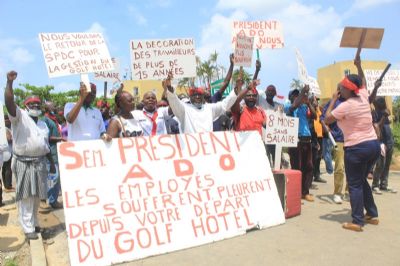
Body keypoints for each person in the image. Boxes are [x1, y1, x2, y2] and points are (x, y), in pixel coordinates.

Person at [324, 56, 381, 232]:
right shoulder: (363, 96)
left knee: (355, 184)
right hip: (373, 146)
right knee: (362, 180)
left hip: (357, 148)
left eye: (341, 86)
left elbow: (327, 119)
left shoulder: (346, 106)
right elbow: (362, 81)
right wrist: (359, 65)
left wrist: (334, 99)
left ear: (348, 90)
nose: (339, 88)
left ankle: (357, 221)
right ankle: (371, 213)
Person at [4, 70, 56, 240]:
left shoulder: (42, 124)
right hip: (23, 162)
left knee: (36, 197)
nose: (35, 107)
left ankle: (34, 224)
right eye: (32, 104)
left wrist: (51, 162)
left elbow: (45, 145)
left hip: (39, 162)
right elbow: (9, 102)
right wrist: (9, 83)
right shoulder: (19, 116)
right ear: (26, 105)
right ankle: (27, 229)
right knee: (26, 195)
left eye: (37, 104)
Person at [164, 72, 238, 134]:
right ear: (190, 97)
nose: (197, 97)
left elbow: (224, 105)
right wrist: (170, 88)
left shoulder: (209, 108)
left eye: (199, 95)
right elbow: (174, 102)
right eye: (194, 95)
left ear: (203, 97)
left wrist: (236, 90)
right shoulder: (184, 109)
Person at [284, 85, 316, 202]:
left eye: (299, 94)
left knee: (308, 167)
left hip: (307, 139)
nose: (298, 96)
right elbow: (294, 106)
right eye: (295, 94)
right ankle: (296, 193)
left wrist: (308, 103)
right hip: (295, 140)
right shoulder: (288, 106)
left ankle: (305, 192)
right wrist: (303, 92)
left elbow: (314, 116)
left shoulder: (303, 107)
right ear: (291, 97)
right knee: (297, 167)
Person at [320, 94, 346, 204]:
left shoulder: (354, 101)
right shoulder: (334, 102)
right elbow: (322, 118)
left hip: (353, 138)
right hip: (338, 140)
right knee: (339, 166)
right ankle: (337, 193)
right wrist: (326, 127)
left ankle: (350, 191)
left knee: (352, 166)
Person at [42, 101, 65, 209]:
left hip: (57, 151)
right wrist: (61, 138)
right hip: (51, 152)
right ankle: (52, 200)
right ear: (47, 108)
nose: (54, 107)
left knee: (54, 176)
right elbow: (47, 137)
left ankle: (50, 197)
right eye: (52, 105)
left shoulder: (52, 118)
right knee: (53, 177)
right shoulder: (45, 119)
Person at [372, 97, 397, 194]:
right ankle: (375, 185)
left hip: (389, 141)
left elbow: (389, 123)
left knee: (387, 164)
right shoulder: (374, 113)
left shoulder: (386, 111)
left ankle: (384, 184)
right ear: (377, 104)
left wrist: (390, 117)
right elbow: (377, 127)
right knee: (380, 164)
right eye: (381, 102)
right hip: (380, 142)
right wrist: (383, 116)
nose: (384, 103)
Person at [309, 96, 326, 183]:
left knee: (319, 157)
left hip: (320, 136)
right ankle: (310, 176)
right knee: (312, 157)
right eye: (315, 101)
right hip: (312, 136)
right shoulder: (309, 111)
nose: (316, 102)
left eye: (317, 101)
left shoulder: (319, 110)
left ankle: (317, 175)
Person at [2, 115, 13, 192]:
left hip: (5, 152)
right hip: (7, 152)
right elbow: (8, 139)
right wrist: (14, 138)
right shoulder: (5, 129)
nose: (9, 121)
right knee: (8, 169)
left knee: (5, 169)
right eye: (7, 120)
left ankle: (6, 185)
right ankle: (8, 186)